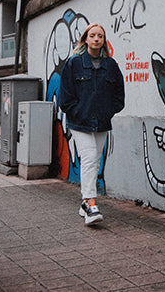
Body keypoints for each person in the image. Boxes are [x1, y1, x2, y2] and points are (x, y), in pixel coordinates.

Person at [58, 23, 125, 225]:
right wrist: (78, 111)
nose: (96, 39)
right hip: (80, 122)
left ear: (104, 41)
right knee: (88, 158)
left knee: (95, 161)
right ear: (85, 39)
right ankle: (91, 204)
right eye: (93, 35)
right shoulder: (74, 64)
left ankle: (84, 201)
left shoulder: (111, 65)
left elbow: (119, 95)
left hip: (102, 122)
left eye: (100, 36)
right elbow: (65, 96)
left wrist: (109, 111)